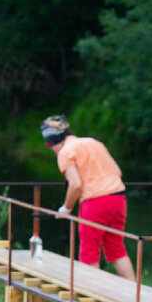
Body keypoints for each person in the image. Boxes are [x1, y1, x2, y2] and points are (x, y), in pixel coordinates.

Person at [40, 114, 135, 281]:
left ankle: (92, 293)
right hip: (118, 198)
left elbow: (75, 184)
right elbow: (117, 172)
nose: (51, 149)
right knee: (117, 250)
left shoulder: (65, 152)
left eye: (49, 145)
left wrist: (66, 208)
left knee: (89, 254)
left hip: (95, 202)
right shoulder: (94, 142)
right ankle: (135, 292)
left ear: (55, 141)